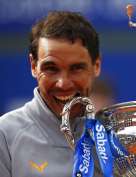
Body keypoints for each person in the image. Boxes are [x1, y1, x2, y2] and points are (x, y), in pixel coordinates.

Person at [0, 11, 103, 177]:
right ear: (34, 66)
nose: (63, 83)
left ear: (96, 66)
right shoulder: (4, 134)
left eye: (76, 68)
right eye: (51, 68)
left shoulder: (113, 137)